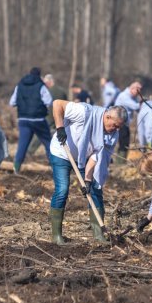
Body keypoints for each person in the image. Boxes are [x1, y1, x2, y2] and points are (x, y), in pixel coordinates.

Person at [49, 99, 127, 245]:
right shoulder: (84, 112)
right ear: (108, 117)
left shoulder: (112, 134)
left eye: (119, 127)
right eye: (115, 125)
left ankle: (99, 236)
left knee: (95, 190)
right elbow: (57, 104)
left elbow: (96, 156)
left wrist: (88, 179)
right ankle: (56, 236)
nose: (115, 129)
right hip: (61, 152)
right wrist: (60, 128)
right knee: (62, 190)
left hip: (84, 158)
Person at [9, 67, 53, 173]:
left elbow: (12, 102)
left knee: (22, 145)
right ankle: (55, 167)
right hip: (38, 119)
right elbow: (49, 101)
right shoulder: (40, 85)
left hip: (23, 119)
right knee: (48, 143)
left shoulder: (20, 85)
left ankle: (16, 168)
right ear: (39, 75)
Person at [114, 81, 143, 162]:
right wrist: (143, 103)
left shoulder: (132, 97)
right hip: (119, 123)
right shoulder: (124, 96)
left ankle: (122, 160)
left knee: (126, 142)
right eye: (138, 90)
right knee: (123, 143)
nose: (139, 93)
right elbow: (135, 106)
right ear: (132, 88)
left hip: (125, 123)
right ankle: (120, 162)